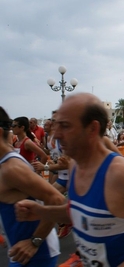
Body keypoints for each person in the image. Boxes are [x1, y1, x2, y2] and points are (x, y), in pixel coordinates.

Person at [15, 93, 124, 267]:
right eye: (56, 125)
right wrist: (41, 211)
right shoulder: (76, 167)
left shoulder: (120, 173)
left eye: (65, 126)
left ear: (92, 129)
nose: (58, 134)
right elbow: (79, 212)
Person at [0, 107, 65, 267]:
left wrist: (35, 241)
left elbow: (57, 200)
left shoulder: (12, 168)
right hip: (19, 253)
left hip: (36, 255)